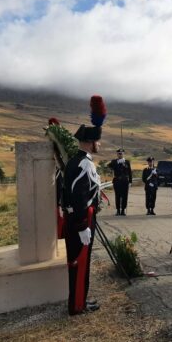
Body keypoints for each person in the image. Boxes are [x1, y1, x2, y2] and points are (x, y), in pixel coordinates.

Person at [63, 95, 106, 316]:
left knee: (82, 262)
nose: (99, 145)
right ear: (91, 142)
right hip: (81, 221)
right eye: (98, 141)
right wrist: (82, 225)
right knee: (79, 263)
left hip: (80, 219)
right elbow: (77, 196)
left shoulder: (77, 161)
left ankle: (80, 299)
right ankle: (77, 305)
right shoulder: (83, 164)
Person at [108, 149, 132, 216]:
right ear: (117, 154)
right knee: (117, 196)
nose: (120, 155)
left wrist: (130, 181)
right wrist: (117, 163)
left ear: (123, 154)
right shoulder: (114, 161)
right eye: (119, 153)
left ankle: (123, 210)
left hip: (125, 181)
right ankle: (118, 210)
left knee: (125, 196)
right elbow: (109, 166)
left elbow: (129, 172)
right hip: (117, 181)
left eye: (121, 153)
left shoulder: (127, 162)